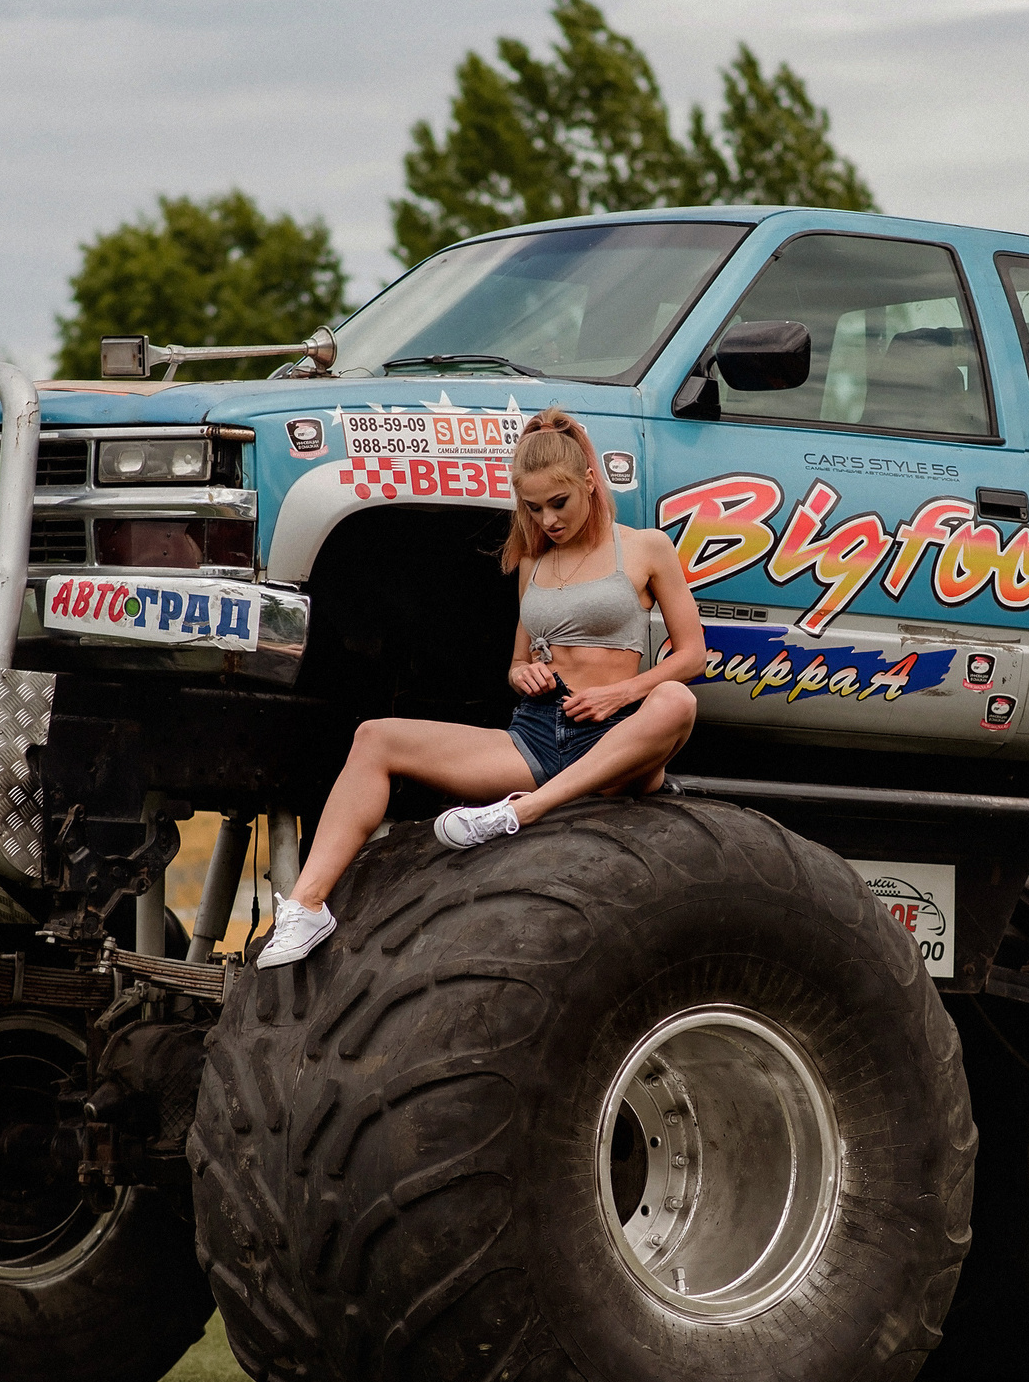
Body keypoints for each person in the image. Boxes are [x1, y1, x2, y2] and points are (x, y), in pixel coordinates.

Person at [254, 409, 705, 969]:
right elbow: (518, 661)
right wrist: (521, 674)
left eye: (558, 504)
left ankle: (524, 811)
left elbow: (691, 656)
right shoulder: (533, 562)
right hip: (540, 736)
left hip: (620, 737)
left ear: (589, 480)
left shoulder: (644, 549)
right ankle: (307, 906)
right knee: (375, 737)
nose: (548, 520)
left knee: (676, 701)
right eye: (534, 509)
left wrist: (624, 693)